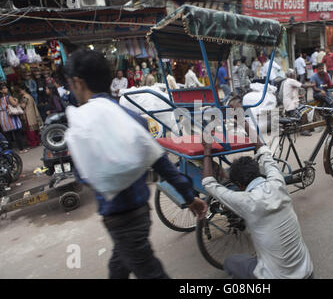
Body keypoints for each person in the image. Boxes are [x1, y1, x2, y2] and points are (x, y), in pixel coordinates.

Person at [64, 49, 207, 279]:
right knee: (118, 268)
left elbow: (83, 177)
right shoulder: (131, 118)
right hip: (140, 214)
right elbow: (164, 166)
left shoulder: (83, 126)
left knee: (149, 272)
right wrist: (189, 198)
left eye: (70, 84)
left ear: (78, 82)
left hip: (121, 220)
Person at [201, 118, 314, 279]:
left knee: (231, 262)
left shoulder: (245, 201)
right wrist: (245, 123)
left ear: (240, 185)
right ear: (257, 171)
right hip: (308, 272)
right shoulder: (277, 182)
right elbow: (264, 152)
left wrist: (207, 150)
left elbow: (208, 183)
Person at [280, 69, 311, 136]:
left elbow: (289, 93)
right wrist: (313, 85)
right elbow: (303, 86)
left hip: (288, 104)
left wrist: (298, 96)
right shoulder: (291, 80)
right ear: (292, 75)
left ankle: (303, 127)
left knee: (303, 108)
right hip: (291, 105)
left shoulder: (285, 81)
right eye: (294, 73)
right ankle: (304, 130)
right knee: (304, 112)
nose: (295, 75)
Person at [0, 84, 28, 153]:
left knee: (8, 136)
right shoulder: (8, 97)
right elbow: (15, 104)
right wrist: (16, 100)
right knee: (17, 133)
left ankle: (9, 151)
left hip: (3, 117)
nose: (6, 89)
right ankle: (21, 149)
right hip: (11, 117)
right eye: (4, 88)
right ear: (1, 91)